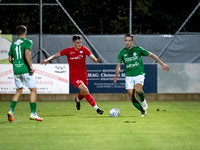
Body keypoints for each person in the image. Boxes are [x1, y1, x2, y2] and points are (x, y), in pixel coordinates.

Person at [40, 35, 104, 115]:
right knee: (85, 90)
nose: (79, 44)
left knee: (83, 93)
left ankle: (77, 99)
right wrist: (48, 59)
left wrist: (96, 60)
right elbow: (56, 55)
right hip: (74, 77)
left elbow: (93, 58)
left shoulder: (84, 49)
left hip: (84, 75)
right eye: (77, 43)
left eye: (80, 42)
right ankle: (97, 109)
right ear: (73, 43)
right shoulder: (68, 50)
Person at [114, 34, 169, 117]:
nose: (127, 42)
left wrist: (162, 63)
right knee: (131, 96)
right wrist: (117, 74)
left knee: (138, 90)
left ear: (132, 41)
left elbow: (151, 55)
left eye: (129, 40)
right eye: (126, 40)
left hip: (139, 74)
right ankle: (142, 111)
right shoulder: (122, 52)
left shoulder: (138, 49)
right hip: (129, 76)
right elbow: (118, 66)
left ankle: (143, 101)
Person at [7, 25, 43, 122]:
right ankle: (33, 113)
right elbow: (27, 53)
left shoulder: (13, 44)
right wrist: (30, 66)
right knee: (33, 90)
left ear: (17, 33)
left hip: (16, 70)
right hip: (25, 69)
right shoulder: (28, 42)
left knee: (18, 91)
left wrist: (16, 63)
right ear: (25, 32)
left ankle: (11, 111)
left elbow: (10, 59)